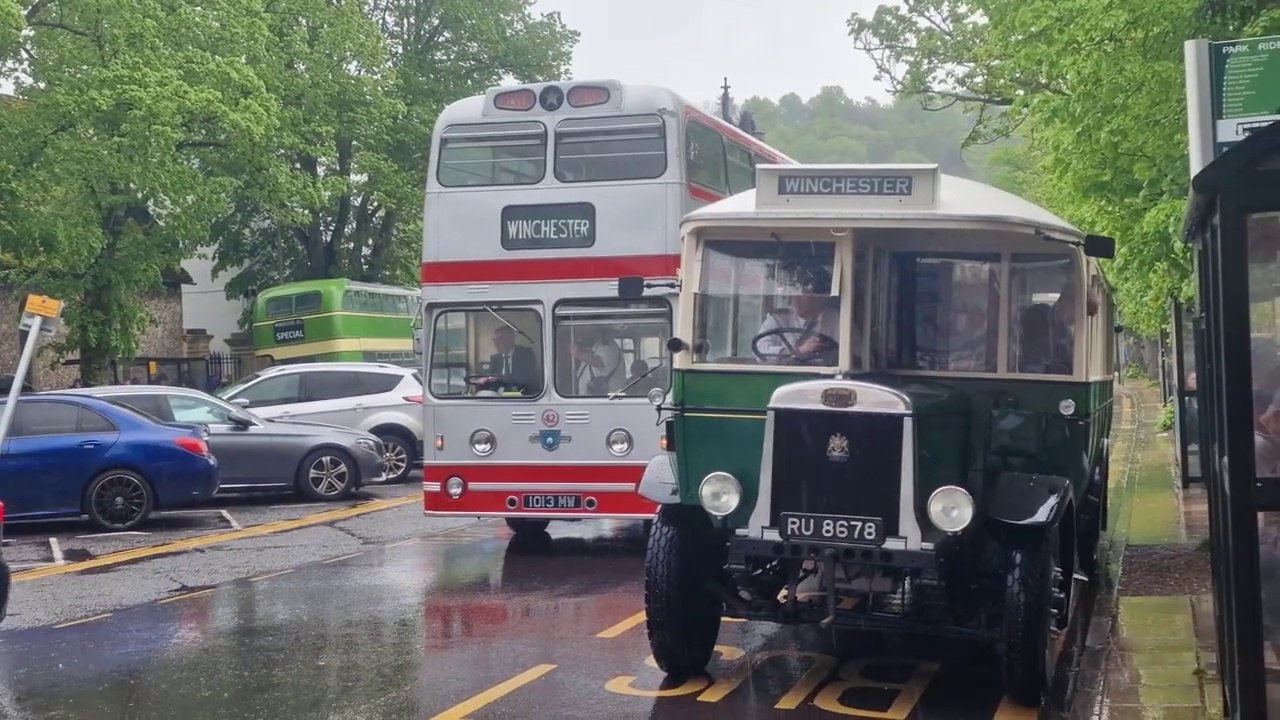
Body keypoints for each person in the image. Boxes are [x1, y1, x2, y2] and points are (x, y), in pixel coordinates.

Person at [756, 272, 840, 363]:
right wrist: (797, 351)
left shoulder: (835, 319)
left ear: (820, 297)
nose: (796, 298)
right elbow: (760, 352)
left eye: (804, 293)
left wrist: (827, 351)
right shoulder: (778, 319)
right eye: (794, 292)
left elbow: (849, 354)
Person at [487, 326, 540, 392]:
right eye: (495, 341)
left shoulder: (525, 354)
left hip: (523, 394)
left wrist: (499, 380)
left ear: (511, 340)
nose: (496, 344)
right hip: (499, 396)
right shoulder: (494, 359)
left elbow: (526, 377)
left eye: (500, 340)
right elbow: (491, 379)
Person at [572, 326, 623, 395]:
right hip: (588, 396)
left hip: (603, 397)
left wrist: (577, 354)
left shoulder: (609, 346)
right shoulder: (597, 346)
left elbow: (599, 361)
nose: (584, 335)